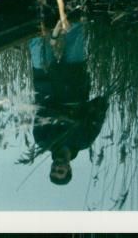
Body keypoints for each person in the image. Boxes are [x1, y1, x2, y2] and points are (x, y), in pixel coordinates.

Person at [28, 21, 108, 186]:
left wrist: (65, 117)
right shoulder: (84, 140)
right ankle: (70, 1)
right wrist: (88, 112)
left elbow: (41, 113)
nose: (57, 167)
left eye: (53, 170)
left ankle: (39, 6)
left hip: (46, 82)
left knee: (37, 37)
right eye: (61, 171)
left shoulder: (43, 141)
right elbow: (101, 105)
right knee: (75, 29)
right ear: (69, 169)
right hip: (74, 81)